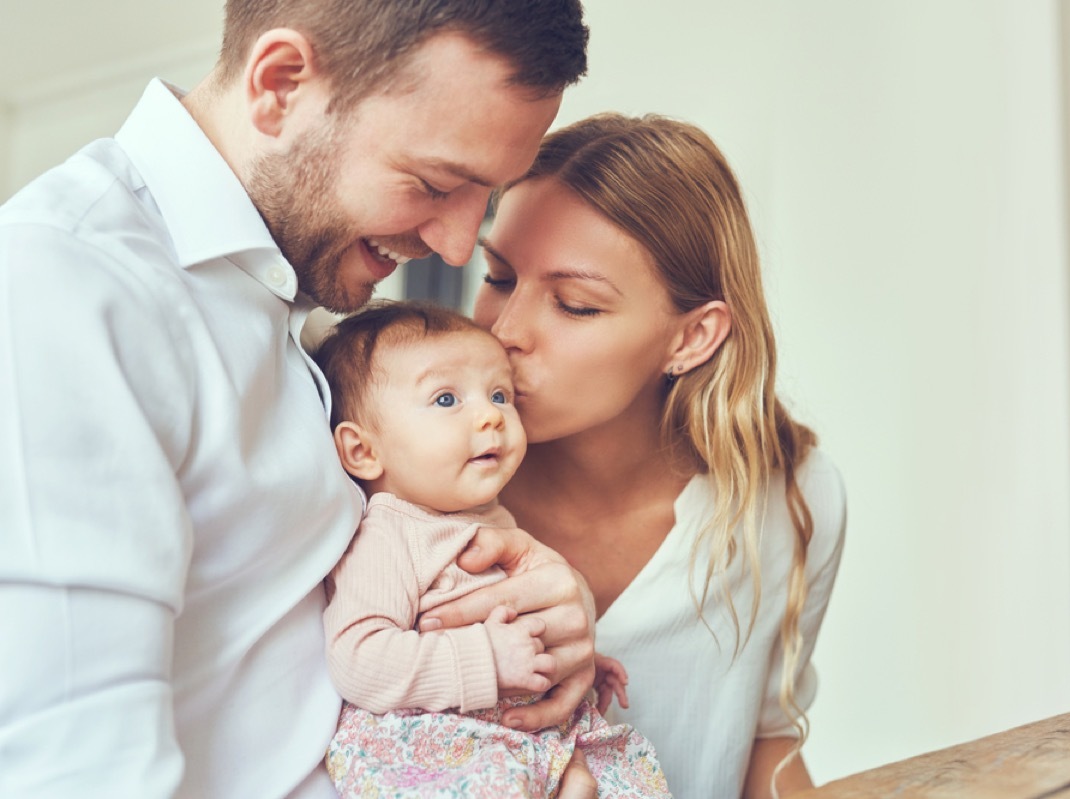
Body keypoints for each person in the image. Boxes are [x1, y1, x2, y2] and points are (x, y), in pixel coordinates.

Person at [0, 3, 594, 797]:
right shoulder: (64, 292)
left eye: (483, 198)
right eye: (436, 183)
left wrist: (543, 607)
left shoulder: (287, 303)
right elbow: (76, 768)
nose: (457, 244)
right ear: (280, 86)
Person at [419, 113, 848, 798]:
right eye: (498, 275)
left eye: (575, 304)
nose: (504, 330)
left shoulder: (794, 498)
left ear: (693, 336)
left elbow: (765, 741)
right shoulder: (413, 484)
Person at [311, 300, 669, 798]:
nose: (490, 417)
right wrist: (486, 659)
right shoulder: (388, 535)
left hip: (510, 738)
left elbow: (507, 620)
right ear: (363, 451)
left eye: (500, 394)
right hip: (437, 752)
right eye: (445, 400)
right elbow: (358, 658)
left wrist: (561, 665)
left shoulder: (488, 521)